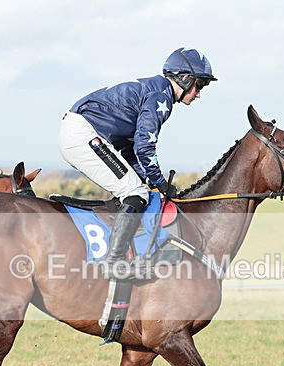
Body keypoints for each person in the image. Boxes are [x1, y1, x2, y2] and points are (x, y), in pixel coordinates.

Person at [59, 47, 216, 279]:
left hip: (83, 131)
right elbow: (144, 146)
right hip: (84, 134)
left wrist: (148, 178)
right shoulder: (161, 97)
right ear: (185, 79)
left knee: (137, 187)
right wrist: (160, 182)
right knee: (134, 192)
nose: (199, 93)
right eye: (200, 85)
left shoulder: (156, 90)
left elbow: (131, 148)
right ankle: (113, 261)